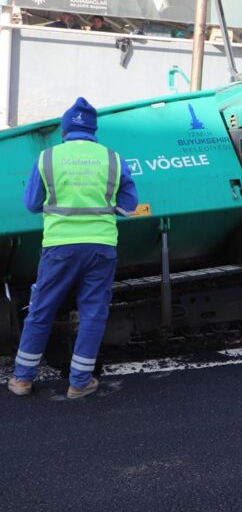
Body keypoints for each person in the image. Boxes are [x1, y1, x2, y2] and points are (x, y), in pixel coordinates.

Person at [7, 97, 138, 399]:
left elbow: (31, 205)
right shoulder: (113, 159)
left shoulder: (47, 158)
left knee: (41, 310)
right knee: (92, 313)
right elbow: (129, 206)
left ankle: (23, 380)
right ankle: (79, 383)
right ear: (94, 131)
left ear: (65, 130)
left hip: (59, 248)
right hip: (101, 247)